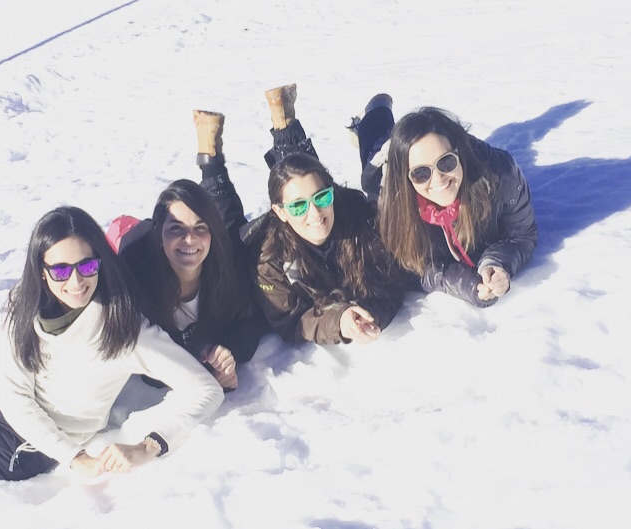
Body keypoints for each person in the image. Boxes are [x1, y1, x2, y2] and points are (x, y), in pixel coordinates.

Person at [0, 206, 224, 497]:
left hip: (19, 442)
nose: (76, 281)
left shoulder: (124, 331)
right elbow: (12, 386)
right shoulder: (29, 298)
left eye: (87, 266)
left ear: (101, 263)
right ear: (42, 270)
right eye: (60, 270)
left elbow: (205, 389)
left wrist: (147, 446)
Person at [111, 113, 268, 391]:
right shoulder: (137, 280)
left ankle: (211, 161)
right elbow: (147, 364)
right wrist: (203, 369)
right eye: (176, 228)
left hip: (217, 242)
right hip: (126, 240)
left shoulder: (222, 261)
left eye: (200, 227)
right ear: (159, 234)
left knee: (230, 228)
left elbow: (250, 322)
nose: (189, 238)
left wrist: (226, 352)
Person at [239, 84, 407, 345]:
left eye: (322, 198)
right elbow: (291, 321)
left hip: (342, 203)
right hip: (250, 238)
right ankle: (279, 128)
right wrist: (339, 321)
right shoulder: (269, 259)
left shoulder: (361, 222)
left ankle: (289, 126)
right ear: (280, 212)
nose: (315, 212)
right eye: (298, 206)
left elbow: (392, 285)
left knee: (312, 174)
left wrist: (369, 314)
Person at [360, 104, 538, 307]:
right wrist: (467, 285)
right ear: (406, 179)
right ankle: (377, 109)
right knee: (372, 152)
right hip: (385, 166)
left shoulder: (499, 175)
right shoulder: (392, 203)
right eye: (421, 173)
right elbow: (411, 267)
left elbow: (522, 234)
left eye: (446, 162)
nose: (438, 179)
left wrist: (496, 263)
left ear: (459, 154)